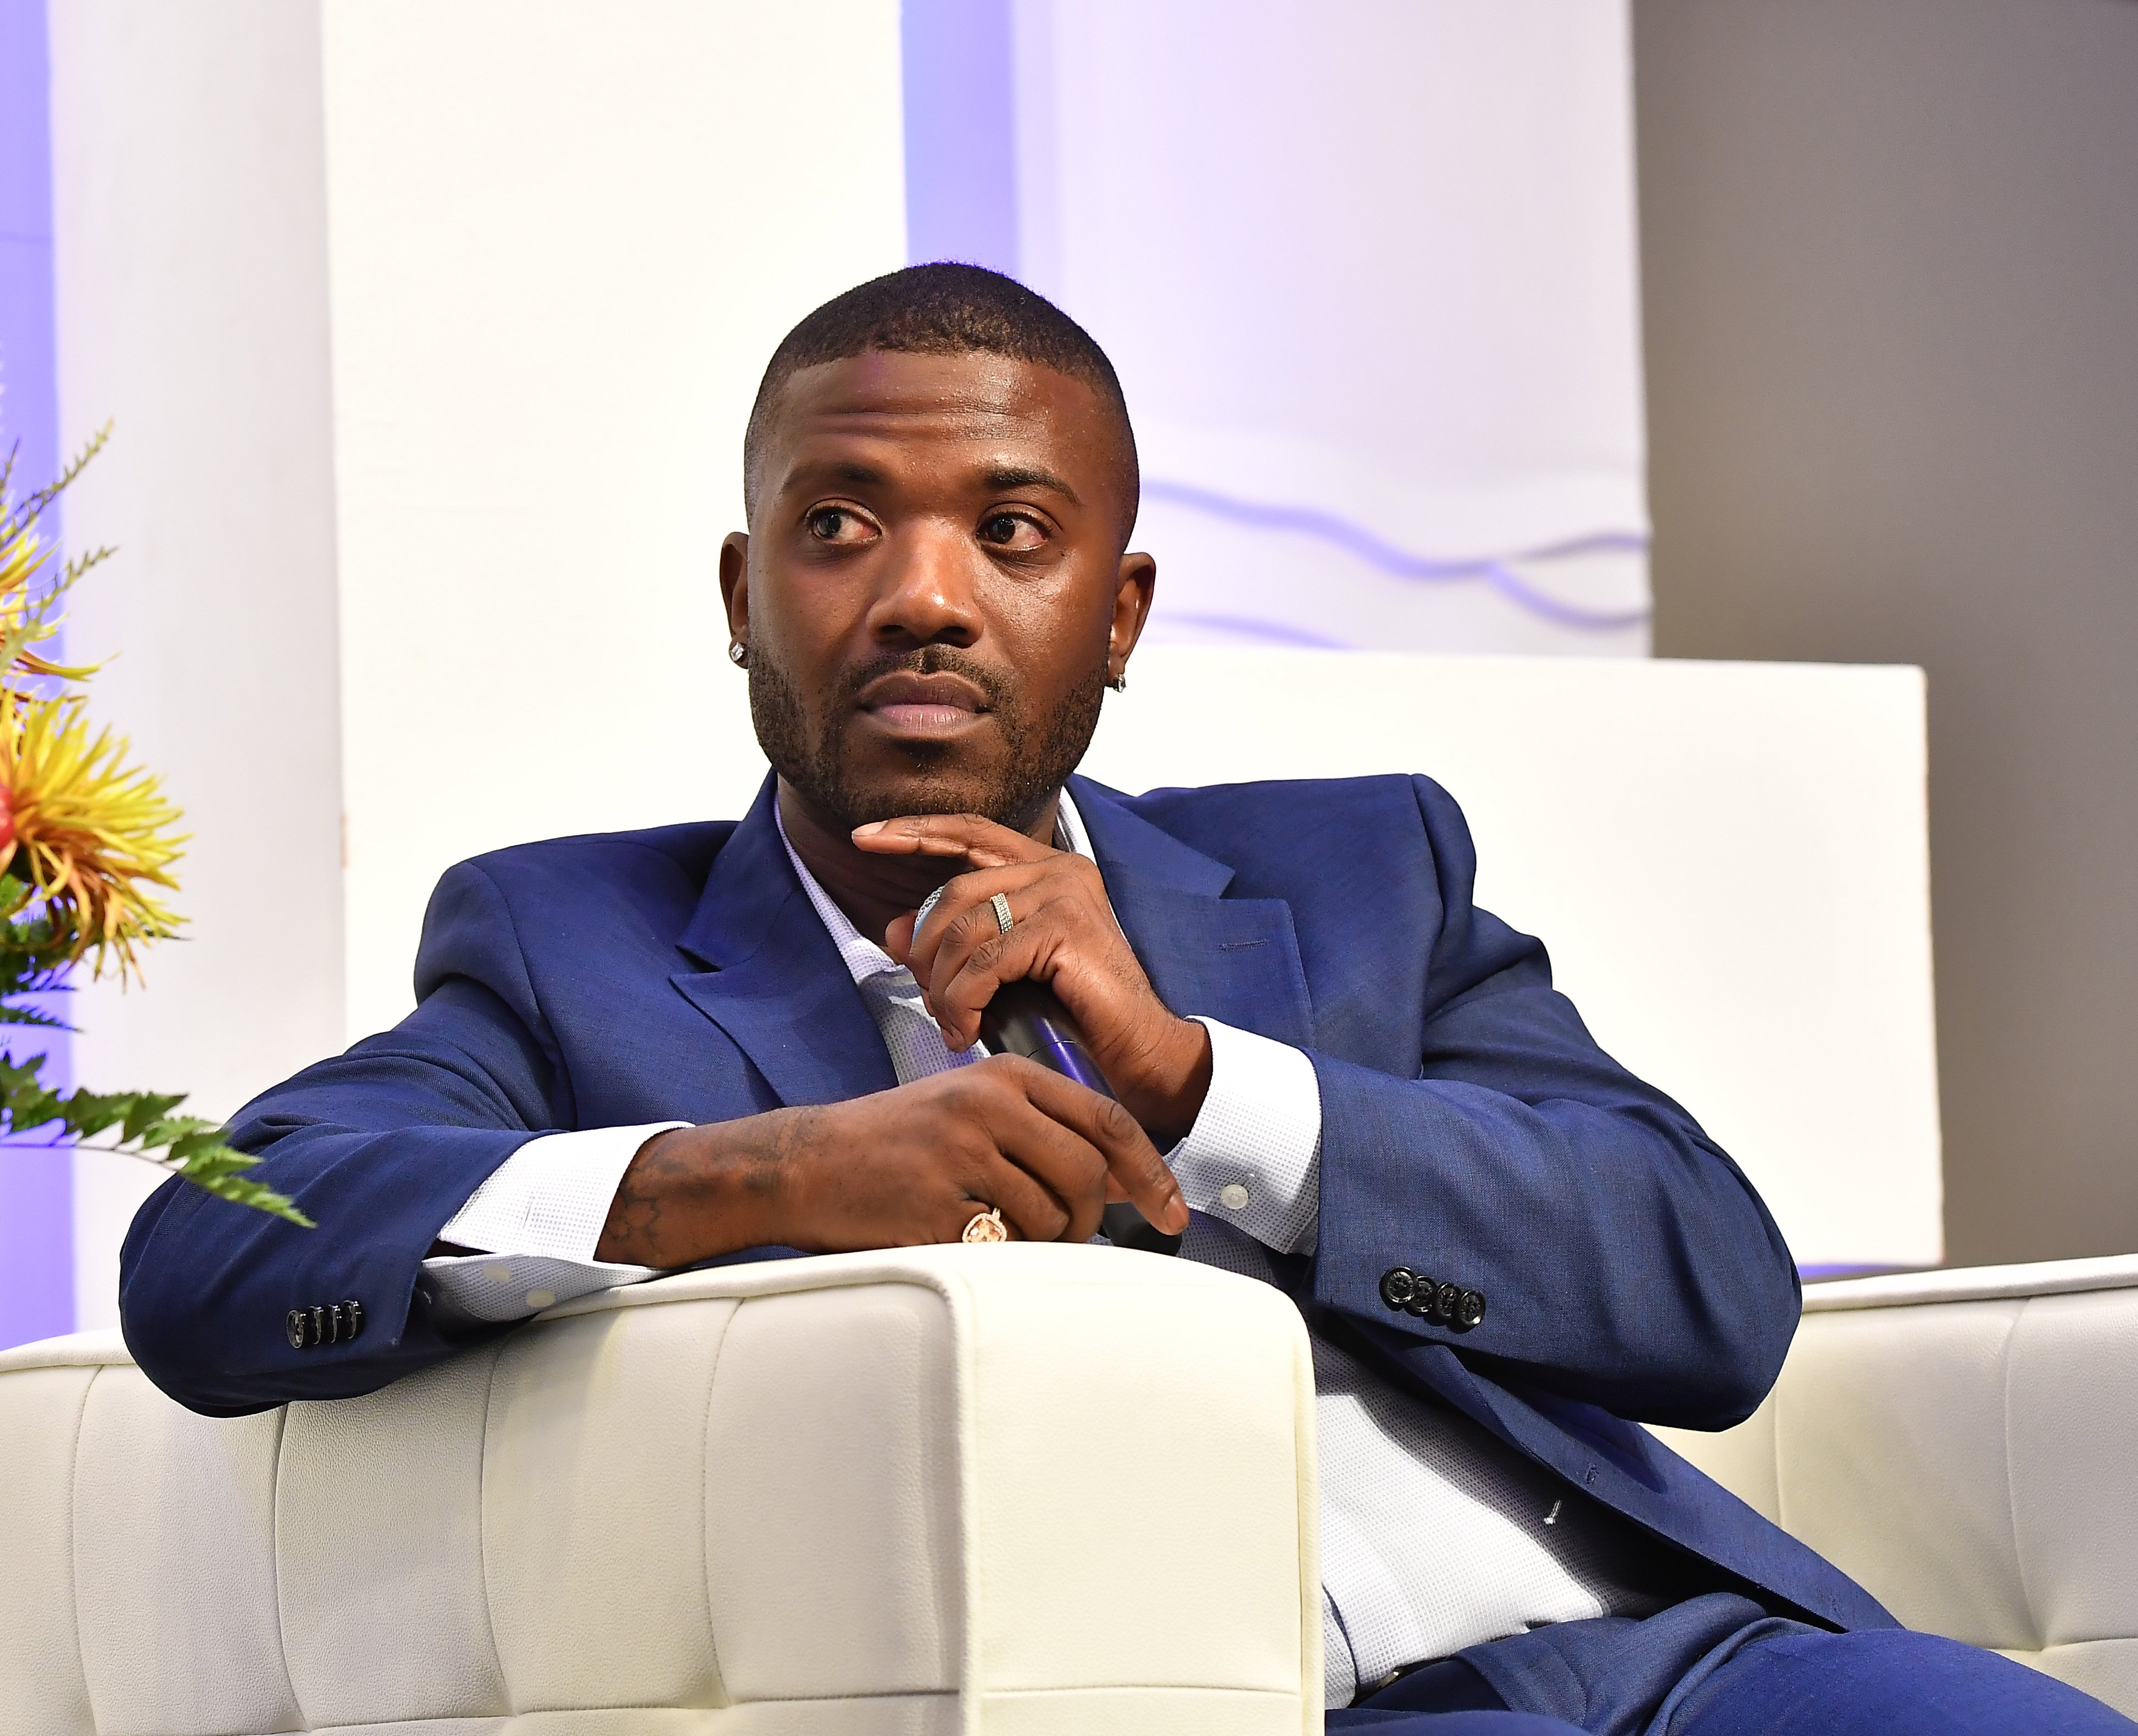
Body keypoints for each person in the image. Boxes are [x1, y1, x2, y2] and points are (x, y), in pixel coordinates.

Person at [120, 264, 2128, 1735]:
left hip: (1684, 1659)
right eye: (839, 526)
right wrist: (754, 1180)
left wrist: (1199, 1077)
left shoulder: (1360, 873)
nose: (919, 593)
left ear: (1118, 609)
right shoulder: (571, 947)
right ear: (744, 598)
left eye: (1008, 532)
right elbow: (214, 1240)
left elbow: (1710, 1287)